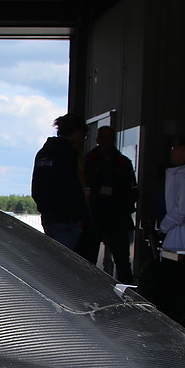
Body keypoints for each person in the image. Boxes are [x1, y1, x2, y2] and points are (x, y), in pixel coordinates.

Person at [79, 125, 137, 281]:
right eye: (103, 138)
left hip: (117, 218)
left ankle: (127, 291)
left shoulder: (123, 163)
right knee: (87, 260)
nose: (106, 141)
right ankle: (84, 289)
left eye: (109, 138)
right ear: (97, 139)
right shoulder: (88, 162)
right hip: (93, 217)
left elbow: (133, 192)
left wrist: (123, 211)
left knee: (123, 261)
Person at [31, 113, 89, 251]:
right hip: (67, 220)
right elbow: (73, 187)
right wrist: (80, 216)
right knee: (69, 260)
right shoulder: (68, 154)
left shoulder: (44, 153)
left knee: (54, 257)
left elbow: (37, 188)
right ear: (77, 133)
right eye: (84, 137)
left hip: (49, 218)